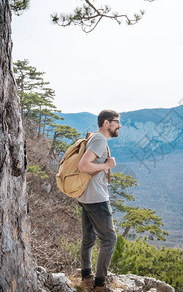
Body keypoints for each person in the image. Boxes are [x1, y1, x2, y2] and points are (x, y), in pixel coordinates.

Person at [77, 110, 122, 291]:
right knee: (109, 239)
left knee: (88, 238)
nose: (119, 125)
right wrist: (107, 165)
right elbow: (83, 166)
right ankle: (99, 284)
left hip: (87, 197)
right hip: (96, 199)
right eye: (116, 122)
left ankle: (86, 276)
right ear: (106, 123)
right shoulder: (99, 140)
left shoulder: (94, 138)